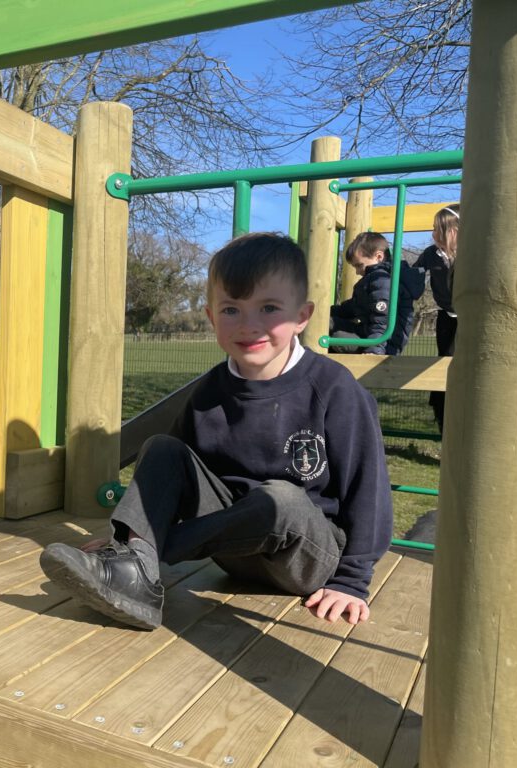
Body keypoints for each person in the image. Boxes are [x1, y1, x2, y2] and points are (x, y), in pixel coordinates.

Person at [39, 232, 392, 630]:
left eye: (269, 308)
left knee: (280, 500)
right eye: (231, 310)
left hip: (303, 556)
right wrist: (133, 528)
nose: (249, 325)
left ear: (302, 317)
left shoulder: (333, 388)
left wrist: (352, 581)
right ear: (210, 317)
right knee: (162, 448)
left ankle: (144, 554)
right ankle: (135, 569)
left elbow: (369, 490)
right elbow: (173, 478)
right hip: (233, 550)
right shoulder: (208, 391)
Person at [329, 232, 425, 355]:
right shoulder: (371, 281)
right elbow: (352, 308)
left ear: (379, 256)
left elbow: (382, 322)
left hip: (385, 345)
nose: (357, 272)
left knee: (338, 338)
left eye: (359, 265)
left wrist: (374, 352)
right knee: (326, 322)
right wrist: (325, 312)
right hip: (368, 333)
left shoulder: (383, 281)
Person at [413, 204, 460, 432]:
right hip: (446, 315)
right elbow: (413, 276)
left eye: (437, 229)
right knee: (443, 362)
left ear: (453, 232)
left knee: (460, 364)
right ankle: (441, 413)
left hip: (470, 316)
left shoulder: (472, 252)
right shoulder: (432, 254)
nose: (432, 234)